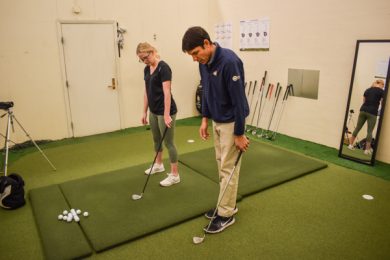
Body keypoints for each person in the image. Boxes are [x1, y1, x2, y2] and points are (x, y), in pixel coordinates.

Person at [182, 27, 250, 233]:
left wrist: (239, 133)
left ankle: (226, 213)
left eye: (195, 53)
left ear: (206, 43)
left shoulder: (229, 62)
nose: (194, 59)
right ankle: (225, 204)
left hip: (231, 121)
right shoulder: (204, 63)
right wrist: (204, 118)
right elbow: (207, 91)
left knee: (228, 169)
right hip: (216, 119)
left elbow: (239, 101)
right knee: (221, 166)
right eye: (191, 56)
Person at [136, 42, 180, 187]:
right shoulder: (146, 69)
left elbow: (167, 92)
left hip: (165, 111)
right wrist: (144, 111)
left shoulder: (164, 68)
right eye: (141, 59)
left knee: (168, 142)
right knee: (156, 140)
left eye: (145, 57)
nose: (144, 61)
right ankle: (159, 165)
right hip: (153, 111)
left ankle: (175, 175)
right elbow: (146, 92)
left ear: (152, 51)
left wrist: (167, 115)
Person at [348, 79, 385, 155]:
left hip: (363, 110)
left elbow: (364, 101)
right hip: (372, 112)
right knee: (370, 131)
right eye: (383, 85)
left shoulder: (367, 90)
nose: (383, 86)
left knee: (357, 128)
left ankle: (350, 145)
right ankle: (367, 150)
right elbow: (382, 103)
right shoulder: (381, 91)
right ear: (380, 84)